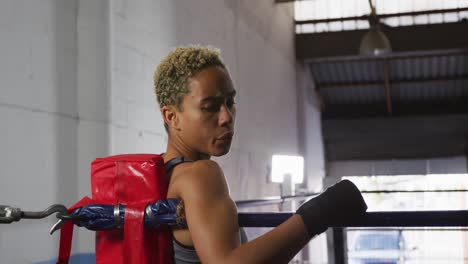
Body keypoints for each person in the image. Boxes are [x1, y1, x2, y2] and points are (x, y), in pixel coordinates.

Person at [153, 45, 367, 263]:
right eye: (210, 107)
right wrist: (321, 211)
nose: (227, 117)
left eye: (230, 102)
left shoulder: (163, 174)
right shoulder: (200, 174)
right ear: (171, 116)